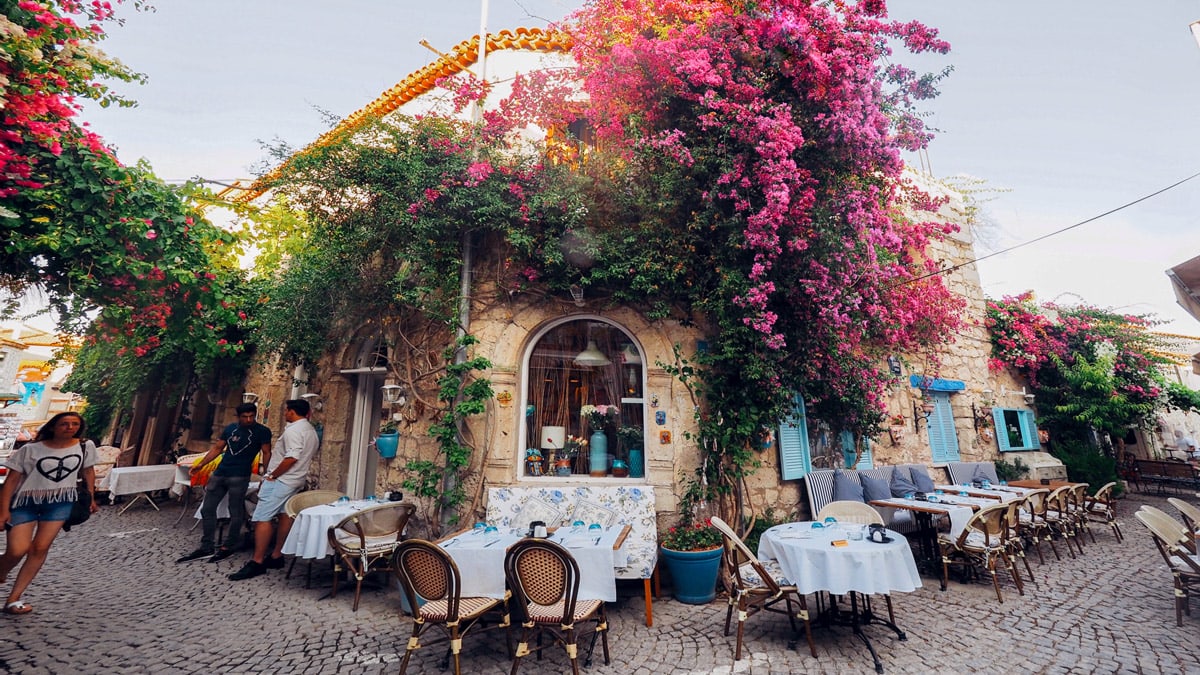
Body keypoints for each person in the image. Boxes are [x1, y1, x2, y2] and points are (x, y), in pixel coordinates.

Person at [0, 412, 99, 615]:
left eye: (74, 424)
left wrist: (91, 496)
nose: (70, 427)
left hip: (60, 502)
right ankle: (2, 570)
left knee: (40, 548)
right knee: (17, 550)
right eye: (64, 424)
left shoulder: (84, 446)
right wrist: (3, 511)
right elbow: (11, 481)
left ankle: (14, 598)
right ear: (53, 426)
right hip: (25, 502)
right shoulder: (30, 449)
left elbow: (88, 471)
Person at [229, 399, 319, 581]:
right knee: (285, 514)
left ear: (292, 412)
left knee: (262, 517)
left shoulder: (294, 430)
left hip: (283, 480)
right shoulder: (311, 431)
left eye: (286, 410)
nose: (285, 413)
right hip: (296, 480)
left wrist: (273, 475)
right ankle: (277, 555)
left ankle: (257, 561)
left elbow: (292, 456)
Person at [176, 403, 272, 563]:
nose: (248, 419)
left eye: (251, 416)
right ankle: (207, 545)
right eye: (244, 417)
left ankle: (229, 545)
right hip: (220, 473)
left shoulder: (262, 431)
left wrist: (266, 475)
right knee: (207, 509)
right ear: (238, 416)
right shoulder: (230, 429)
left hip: (240, 476)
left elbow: (267, 452)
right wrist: (201, 464)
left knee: (235, 511)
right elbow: (217, 448)